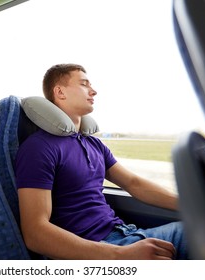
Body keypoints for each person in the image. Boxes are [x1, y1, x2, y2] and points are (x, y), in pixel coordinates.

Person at [15, 63, 188, 260]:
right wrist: (121, 255)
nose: (94, 91)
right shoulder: (39, 148)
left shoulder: (94, 144)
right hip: (99, 247)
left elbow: (134, 184)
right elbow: (35, 233)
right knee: (204, 232)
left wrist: (190, 205)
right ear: (60, 92)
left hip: (125, 234)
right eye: (84, 84)